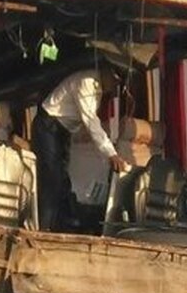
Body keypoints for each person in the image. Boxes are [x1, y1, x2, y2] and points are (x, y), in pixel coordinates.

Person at [32, 64, 132, 231]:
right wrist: (111, 154)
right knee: (52, 178)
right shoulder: (87, 83)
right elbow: (91, 122)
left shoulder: (97, 89)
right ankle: (43, 228)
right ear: (107, 74)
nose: (115, 88)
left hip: (62, 131)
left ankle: (59, 226)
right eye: (115, 82)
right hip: (49, 126)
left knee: (62, 179)